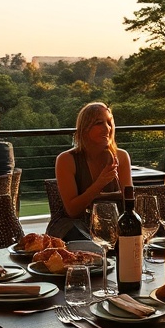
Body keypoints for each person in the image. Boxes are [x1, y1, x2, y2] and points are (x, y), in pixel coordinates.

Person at [49, 102, 132, 241]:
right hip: (76, 227)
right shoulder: (66, 160)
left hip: (110, 223)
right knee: (80, 235)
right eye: (99, 123)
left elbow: (129, 203)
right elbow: (72, 211)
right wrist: (100, 183)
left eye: (109, 123)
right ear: (85, 128)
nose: (107, 128)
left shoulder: (121, 157)